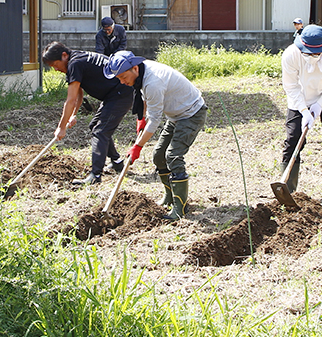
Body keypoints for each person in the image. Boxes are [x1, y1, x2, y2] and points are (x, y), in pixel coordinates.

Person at [105, 50, 207, 222]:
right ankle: (169, 196)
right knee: (159, 155)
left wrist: (137, 147)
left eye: (123, 77)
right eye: (119, 79)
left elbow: (155, 121)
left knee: (173, 156)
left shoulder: (153, 81)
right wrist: (141, 119)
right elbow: (145, 98)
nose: (122, 82)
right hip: (175, 115)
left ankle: (180, 208)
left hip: (191, 113)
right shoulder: (142, 74)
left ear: (134, 68)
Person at [43, 41, 140, 185]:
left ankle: (95, 175)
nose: (56, 69)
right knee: (95, 126)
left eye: (55, 65)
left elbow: (70, 100)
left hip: (120, 93)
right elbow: (78, 94)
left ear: (64, 55)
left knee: (100, 132)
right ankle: (117, 161)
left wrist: (61, 127)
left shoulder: (74, 63)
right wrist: (72, 115)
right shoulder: (77, 60)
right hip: (113, 94)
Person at [280, 24, 322, 205]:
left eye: (315, 53)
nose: (311, 56)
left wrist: (320, 104)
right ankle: (288, 191)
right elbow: (291, 86)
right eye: (307, 52)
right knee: (293, 140)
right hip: (299, 99)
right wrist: (304, 110)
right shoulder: (291, 54)